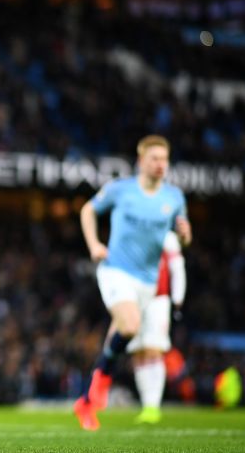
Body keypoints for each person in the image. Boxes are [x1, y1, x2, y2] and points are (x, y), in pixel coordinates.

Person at [74, 135, 192, 431]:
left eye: (164, 160)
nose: (160, 165)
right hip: (115, 271)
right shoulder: (120, 190)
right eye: (154, 159)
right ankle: (100, 387)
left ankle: (88, 401)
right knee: (129, 326)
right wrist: (94, 245)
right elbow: (87, 210)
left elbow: (182, 239)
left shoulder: (174, 198)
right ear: (141, 161)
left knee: (118, 337)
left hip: (148, 283)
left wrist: (185, 233)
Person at [129, 230, 187, 423]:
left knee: (154, 350)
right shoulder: (131, 234)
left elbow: (177, 266)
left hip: (157, 300)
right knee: (138, 352)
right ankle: (146, 404)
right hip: (134, 300)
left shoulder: (166, 236)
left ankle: (153, 406)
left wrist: (178, 296)